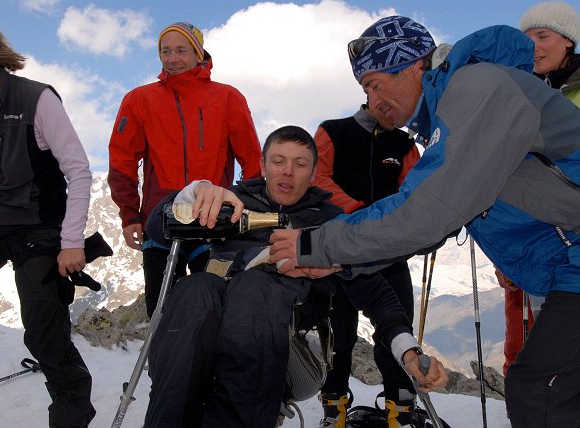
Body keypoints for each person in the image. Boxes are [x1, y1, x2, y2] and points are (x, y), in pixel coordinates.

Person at [269, 15, 580, 427]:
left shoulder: (477, 87)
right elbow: (428, 213)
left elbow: (427, 210)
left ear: (415, 64)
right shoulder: (452, 112)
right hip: (566, 270)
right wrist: (342, 260)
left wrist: (317, 245)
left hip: (572, 264)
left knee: (540, 389)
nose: (373, 102)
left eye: (375, 85)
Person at [143, 125, 448, 428]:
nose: (287, 172)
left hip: (293, 347)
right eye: (278, 162)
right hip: (210, 328)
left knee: (255, 285)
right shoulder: (230, 204)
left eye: (299, 164)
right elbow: (158, 230)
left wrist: (407, 351)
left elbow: (376, 293)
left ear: (314, 172)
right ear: (263, 165)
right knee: (196, 286)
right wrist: (192, 192)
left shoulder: (331, 224)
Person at [0, 11, 95, 427]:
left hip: (39, 227)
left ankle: (72, 415)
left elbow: (78, 170)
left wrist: (71, 242)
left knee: (45, 334)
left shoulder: (36, 99)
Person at [108, 22, 262, 317]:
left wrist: (248, 211)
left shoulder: (228, 98)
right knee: (161, 310)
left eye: (181, 50)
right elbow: (121, 160)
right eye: (166, 51)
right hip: (160, 219)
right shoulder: (139, 100)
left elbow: (252, 159)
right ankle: (162, 363)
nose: (172, 58)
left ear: (198, 53)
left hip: (213, 220)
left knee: (217, 308)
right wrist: (129, 215)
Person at [312, 105, 421, 427]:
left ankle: (399, 411)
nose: (387, 103)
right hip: (340, 248)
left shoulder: (403, 144)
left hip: (388, 251)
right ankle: (335, 412)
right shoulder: (333, 131)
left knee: (397, 330)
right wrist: (361, 213)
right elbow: (318, 179)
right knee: (339, 338)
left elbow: (416, 189)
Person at [494, 0, 580, 377]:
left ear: (569, 42)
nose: (533, 46)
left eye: (543, 35)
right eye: (526, 38)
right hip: (541, 249)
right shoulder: (523, 100)